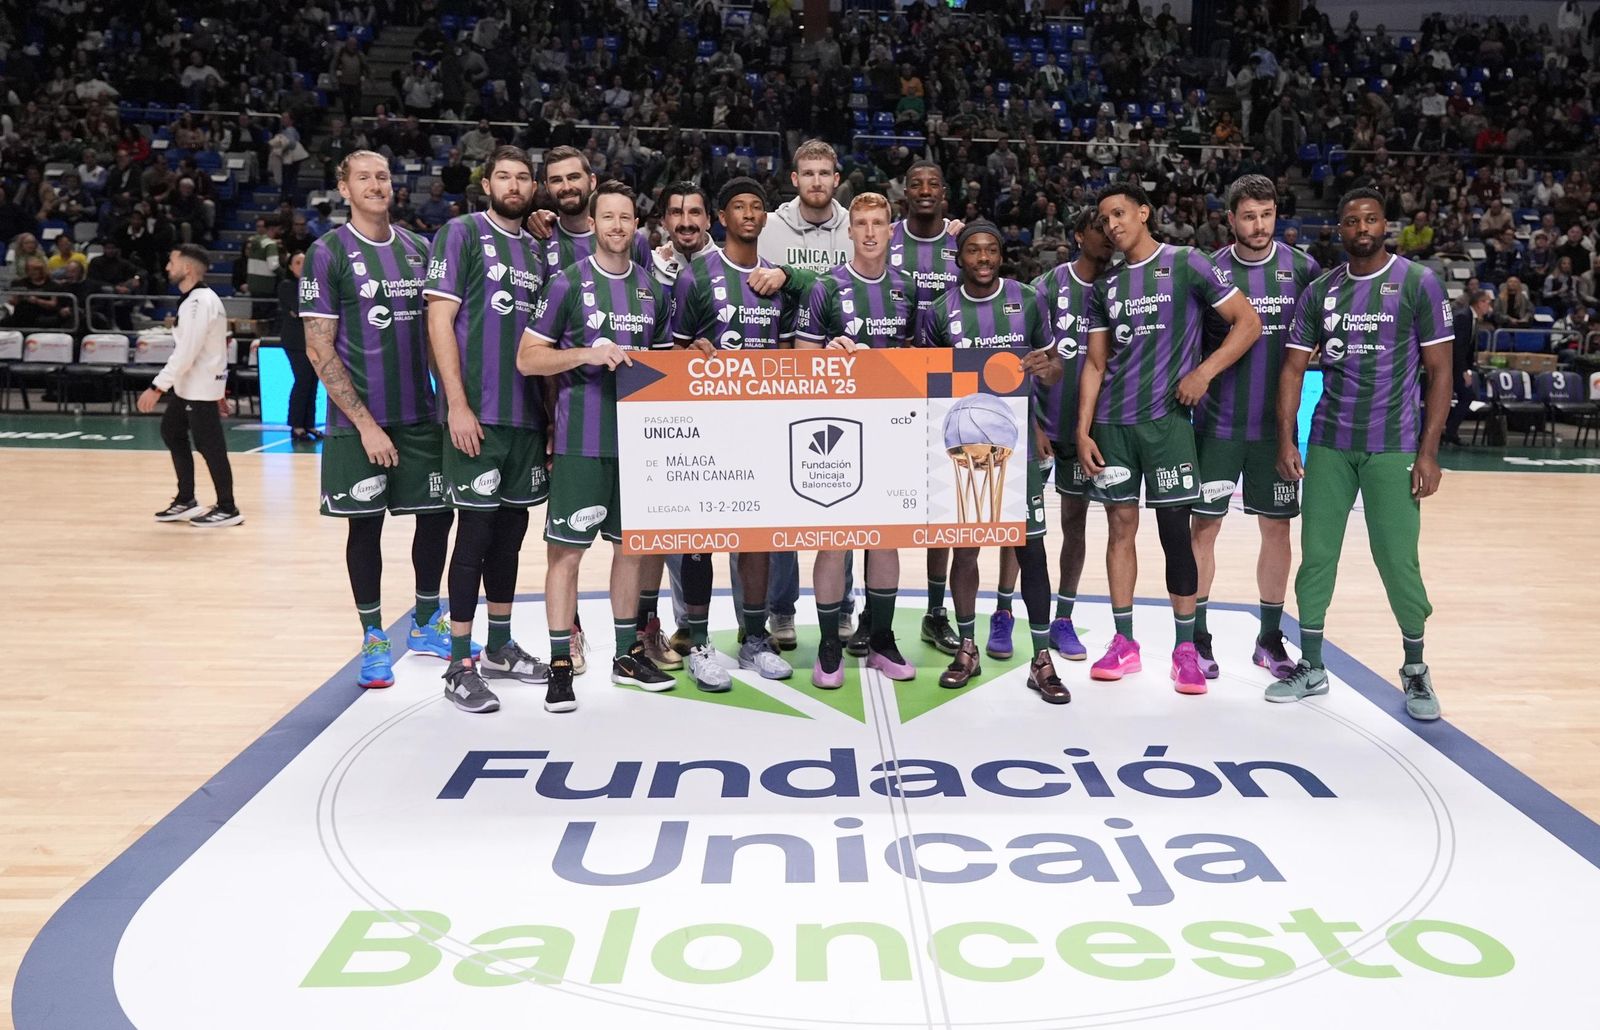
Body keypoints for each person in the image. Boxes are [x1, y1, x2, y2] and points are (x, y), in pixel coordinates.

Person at [1271, 186, 1454, 721]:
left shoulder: (1418, 283)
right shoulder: (1321, 292)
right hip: (1329, 441)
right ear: (1340, 229)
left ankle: (1415, 667)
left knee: (1397, 560)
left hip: (1394, 445)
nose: (1361, 229)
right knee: (1317, 555)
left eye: (1370, 219)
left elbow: (1440, 373)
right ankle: (1311, 665)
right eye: (1351, 222)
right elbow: (1291, 369)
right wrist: (1287, 438)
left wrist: (1429, 452)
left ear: (1386, 224)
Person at [1075, 183, 1263, 695]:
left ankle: (1185, 651)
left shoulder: (1187, 263)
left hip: (1169, 424)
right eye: (1104, 217)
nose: (1112, 224)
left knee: (1175, 533)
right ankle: (1124, 643)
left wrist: (1204, 372)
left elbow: (1248, 323)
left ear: (1144, 212)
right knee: (1119, 529)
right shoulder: (1105, 286)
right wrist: (1082, 427)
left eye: (1120, 213)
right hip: (1114, 424)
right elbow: (1095, 363)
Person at [299, 150, 464, 689]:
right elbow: (319, 349)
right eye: (363, 177)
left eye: (383, 176)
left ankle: (423, 620)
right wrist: (366, 424)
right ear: (343, 189)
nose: (376, 185)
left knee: (438, 516)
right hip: (358, 424)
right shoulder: (326, 254)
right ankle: (373, 636)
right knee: (364, 528)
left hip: (421, 416)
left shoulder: (419, 248)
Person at [517, 180, 676, 709]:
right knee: (566, 555)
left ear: (637, 226)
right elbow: (528, 358)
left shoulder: (654, 289)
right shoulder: (566, 283)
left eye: (625, 218)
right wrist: (583, 354)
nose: (615, 226)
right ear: (595, 222)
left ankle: (627, 654)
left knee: (630, 550)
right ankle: (561, 663)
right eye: (606, 217)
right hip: (580, 443)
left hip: (638, 445)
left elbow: (663, 366)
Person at [424, 145, 554, 714]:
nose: (514, 185)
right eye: (504, 176)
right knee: (473, 537)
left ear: (533, 188)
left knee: (509, 537)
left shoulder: (538, 250)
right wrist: (455, 403)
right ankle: (459, 661)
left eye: (523, 177)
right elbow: (439, 320)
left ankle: (499, 646)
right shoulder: (460, 234)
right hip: (476, 413)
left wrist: (550, 421)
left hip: (526, 417)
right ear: (487, 183)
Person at [920, 220, 1069, 704]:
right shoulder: (941, 310)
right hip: (961, 449)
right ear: (959, 257)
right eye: (973, 251)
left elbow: (1053, 364)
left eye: (991, 250)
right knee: (966, 551)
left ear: (1000, 255)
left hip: (1019, 447)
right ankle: (967, 648)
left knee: (1031, 550)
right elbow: (927, 380)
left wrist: (1048, 372)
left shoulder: (1027, 299)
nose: (983, 258)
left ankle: (1041, 659)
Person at [1189, 175, 1323, 683]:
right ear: (1231, 219)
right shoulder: (1209, 270)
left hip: (1274, 431)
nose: (1259, 225)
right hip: (1216, 426)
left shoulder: (1304, 269)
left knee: (1277, 528)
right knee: (1204, 529)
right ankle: (1197, 637)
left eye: (1266, 215)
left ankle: (1269, 638)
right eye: (1248, 216)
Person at [789, 192, 918, 688]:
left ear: (891, 231)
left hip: (892, 431)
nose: (868, 232)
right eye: (860, 223)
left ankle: (881, 639)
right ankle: (828, 644)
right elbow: (800, 365)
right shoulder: (825, 288)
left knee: (885, 539)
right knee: (833, 540)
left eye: (878, 223)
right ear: (850, 232)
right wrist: (829, 355)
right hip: (835, 434)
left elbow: (924, 363)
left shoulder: (908, 289)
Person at [671, 176, 797, 684]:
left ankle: (753, 639)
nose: (748, 213)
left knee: (757, 540)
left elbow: (788, 356)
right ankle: (699, 641)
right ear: (721, 218)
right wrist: (691, 355)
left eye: (756, 207)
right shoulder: (696, 277)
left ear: (765, 218)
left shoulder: (776, 281)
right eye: (738, 206)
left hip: (762, 426)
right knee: (701, 538)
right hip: (708, 428)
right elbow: (673, 352)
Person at [756, 139, 855, 647]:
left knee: (847, 497)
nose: (817, 181)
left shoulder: (855, 224)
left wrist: (792, 275)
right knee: (784, 504)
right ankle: (780, 610)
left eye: (825, 172)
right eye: (807, 173)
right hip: (782, 375)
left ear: (837, 178)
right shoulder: (769, 228)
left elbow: (850, 279)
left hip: (845, 380)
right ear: (794, 179)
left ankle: (841, 610)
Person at [1030, 208, 1115, 666]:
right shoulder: (1048, 286)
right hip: (1042, 425)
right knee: (1020, 530)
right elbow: (1021, 352)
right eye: (1099, 229)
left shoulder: (1121, 286)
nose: (1109, 236)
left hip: (1088, 431)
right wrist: (1033, 423)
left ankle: (1064, 617)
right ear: (1079, 234)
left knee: (1075, 526)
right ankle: (1005, 611)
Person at [890, 160, 964, 657]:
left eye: (932, 185)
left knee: (942, 503)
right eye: (915, 184)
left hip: (947, 385)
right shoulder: (883, 235)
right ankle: (867, 614)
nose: (923, 191)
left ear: (945, 194)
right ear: (903, 193)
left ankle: (936, 613)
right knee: (874, 500)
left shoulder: (963, 244)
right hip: (887, 384)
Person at [643, 181, 719, 669]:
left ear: (709, 219)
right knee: (657, 533)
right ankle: (657, 629)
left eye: (695, 212)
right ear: (664, 220)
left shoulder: (730, 265)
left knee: (705, 540)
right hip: (655, 416)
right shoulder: (643, 265)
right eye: (677, 212)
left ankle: (702, 630)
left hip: (717, 419)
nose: (686, 221)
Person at [138, 244, 242, 528]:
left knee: (210, 446)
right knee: (171, 431)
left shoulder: (199, 302)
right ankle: (186, 499)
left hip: (198, 387)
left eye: (171, 262)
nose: (167, 267)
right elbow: (214, 347)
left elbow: (187, 353)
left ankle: (228, 507)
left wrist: (156, 387)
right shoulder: (196, 300)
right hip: (191, 386)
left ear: (187, 268)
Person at [528, 146, 652, 271]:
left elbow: (648, 288)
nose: (566, 187)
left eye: (574, 177)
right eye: (556, 180)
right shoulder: (539, 238)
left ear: (592, 181)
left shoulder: (631, 238)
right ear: (547, 188)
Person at [278, 250, 319, 443]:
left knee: (313, 382)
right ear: (290, 267)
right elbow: (300, 308)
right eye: (297, 262)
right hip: (295, 341)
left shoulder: (314, 285)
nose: (302, 266)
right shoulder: (287, 285)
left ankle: (309, 424)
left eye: (305, 262)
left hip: (313, 339)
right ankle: (296, 426)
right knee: (302, 380)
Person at [1445, 289, 1494, 446]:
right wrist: (1463, 370)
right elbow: (1457, 347)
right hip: (1451, 365)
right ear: (1479, 303)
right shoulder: (1463, 317)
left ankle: (1449, 431)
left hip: (1456, 365)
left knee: (1463, 396)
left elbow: (1467, 347)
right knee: (1466, 395)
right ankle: (1448, 431)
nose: (1489, 306)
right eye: (1487, 302)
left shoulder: (1471, 318)